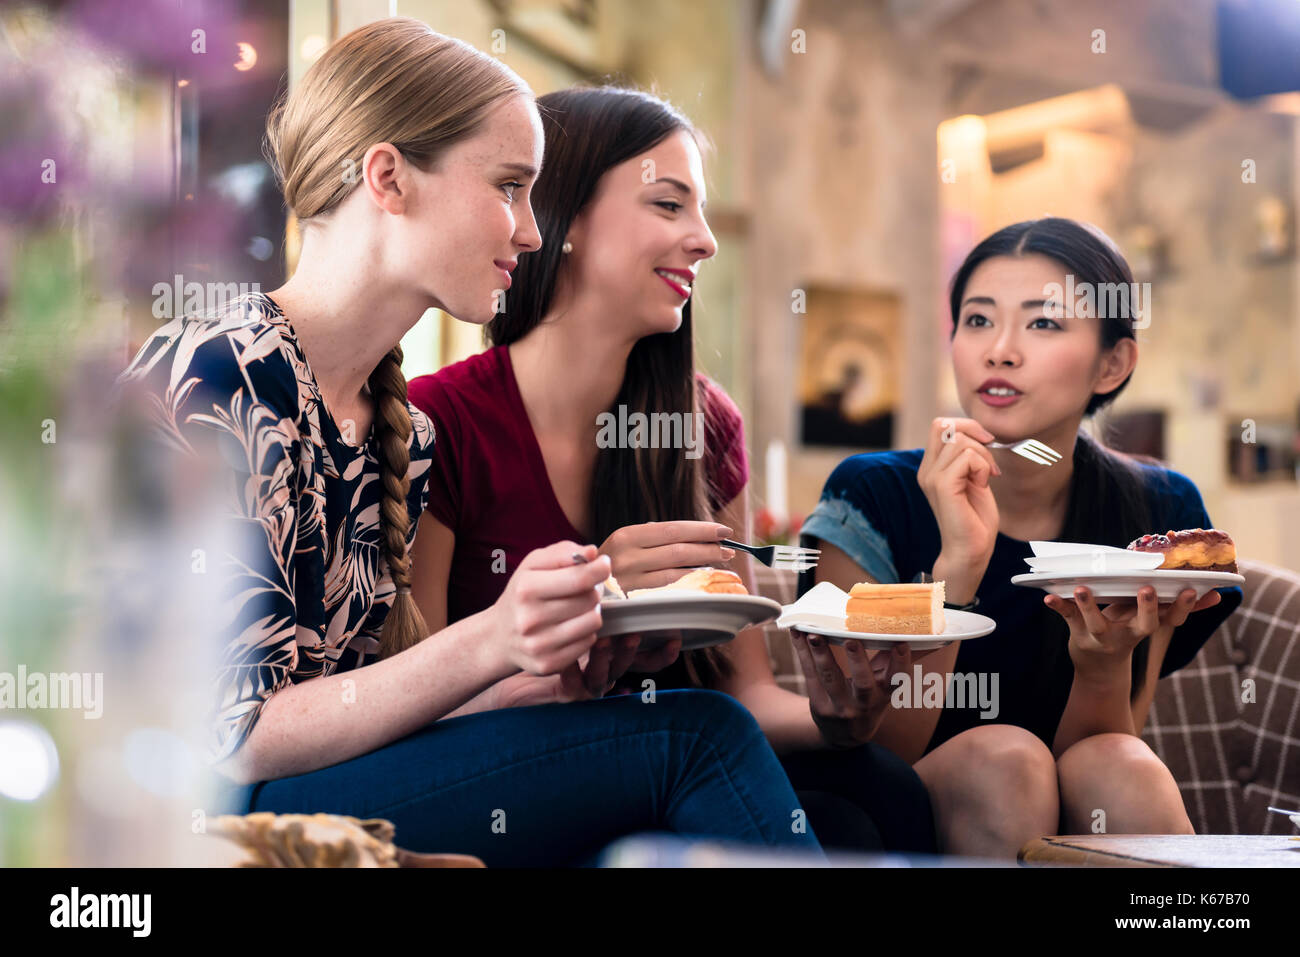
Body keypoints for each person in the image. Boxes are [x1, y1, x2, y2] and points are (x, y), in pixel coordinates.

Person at [114, 19, 822, 867]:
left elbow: (365, 702)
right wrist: (490, 640)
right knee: (698, 736)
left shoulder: (403, 430)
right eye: (510, 187)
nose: (531, 231)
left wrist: (556, 670)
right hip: (210, 812)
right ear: (389, 179)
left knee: (689, 730)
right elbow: (234, 734)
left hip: (317, 780)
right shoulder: (224, 369)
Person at [408, 86, 937, 855]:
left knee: (878, 786)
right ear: (566, 219)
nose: (705, 240)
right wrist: (587, 601)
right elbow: (417, 703)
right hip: (509, 778)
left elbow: (746, 692)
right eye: (668, 205)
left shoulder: (705, 424)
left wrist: (836, 713)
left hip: (685, 766)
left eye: (702, 211)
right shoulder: (439, 422)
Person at [796, 217, 1243, 857]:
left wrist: (1104, 662)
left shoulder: (1157, 509)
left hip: (1060, 790)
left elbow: (1097, 749)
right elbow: (870, 747)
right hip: (897, 802)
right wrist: (959, 567)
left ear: (1112, 363)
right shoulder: (873, 496)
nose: (999, 349)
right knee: (1006, 759)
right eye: (978, 320)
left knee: (1121, 763)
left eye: (1043, 323)